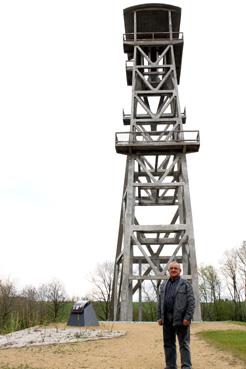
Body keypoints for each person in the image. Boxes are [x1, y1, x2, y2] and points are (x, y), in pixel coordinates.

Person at [157, 261, 195, 369]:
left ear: (180, 271)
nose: (173, 270)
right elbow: (160, 301)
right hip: (167, 319)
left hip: (181, 319)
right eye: (171, 268)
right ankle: (170, 365)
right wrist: (159, 317)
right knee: (168, 344)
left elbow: (191, 302)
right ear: (168, 271)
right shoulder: (163, 285)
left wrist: (188, 317)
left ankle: (186, 366)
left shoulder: (186, 284)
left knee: (184, 344)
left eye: (176, 268)